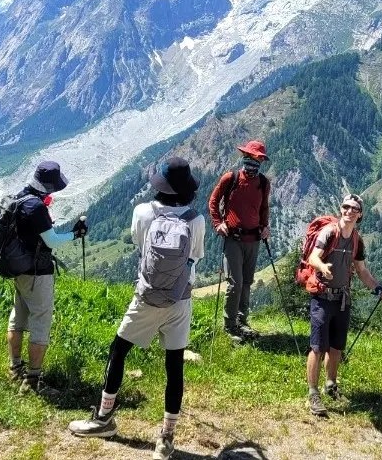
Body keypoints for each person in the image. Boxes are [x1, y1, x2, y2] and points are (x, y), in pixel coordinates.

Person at [69, 156, 206, 460]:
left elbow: (137, 243)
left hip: (145, 297)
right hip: (180, 300)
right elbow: (196, 255)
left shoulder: (143, 211)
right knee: (174, 367)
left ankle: (103, 418)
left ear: (161, 185)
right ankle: (167, 438)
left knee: (118, 351)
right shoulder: (195, 220)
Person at [7, 160, 88, 396]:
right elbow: (51, 241)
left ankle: (15, 368)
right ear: (50, 186)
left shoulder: (21, 197)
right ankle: (32, 381)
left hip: (18, 268)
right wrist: (75, 234)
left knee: (17, 318)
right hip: (37, 273)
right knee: (40, 323)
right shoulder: (37, 208)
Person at [304, 194, 382, 417]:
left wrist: (377, 289)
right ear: (341, 209)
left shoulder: (356, 241)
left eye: (354, 208)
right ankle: (313, 393)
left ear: (360, 215)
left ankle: (330, 384)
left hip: (342, 299)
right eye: (346, 207)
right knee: (317, 347)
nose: (349, 211)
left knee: (337, 347)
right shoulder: (329, 232)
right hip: (322, 297)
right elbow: (313, 257)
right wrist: (322, 267)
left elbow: (362, 271)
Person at [207, 140, 271, 342]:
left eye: (257, 158)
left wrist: (265, 226)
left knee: (246, 282)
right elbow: (213, 202)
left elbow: (264, 208)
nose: (253, 161)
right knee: (235, 283)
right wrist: (218, 224)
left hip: (253, 238)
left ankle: (242, 322)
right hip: (233, 238)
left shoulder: (263, 182)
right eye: (250, 157)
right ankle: (230, 325)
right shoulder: (231, 178)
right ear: (244, 157)